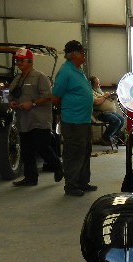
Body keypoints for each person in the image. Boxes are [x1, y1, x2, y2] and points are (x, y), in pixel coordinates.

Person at [8, 47, 63, 187]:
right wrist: (12, 102)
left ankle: (57, 165)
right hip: (24, 120)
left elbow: (48, 96)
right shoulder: (17, 79)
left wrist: (32, 103)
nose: (19, 63)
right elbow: (11, 94)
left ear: (30, 61)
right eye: (17, 60)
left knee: (42, 146)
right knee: (26, 150)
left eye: (21, 60)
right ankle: (31, 178)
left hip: (39, 119)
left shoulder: (40, 77)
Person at [52, 40, 95, 197]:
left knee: (84, 151)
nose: (83, 54)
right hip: (73, 120)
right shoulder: (65, 71)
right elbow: (56, 96)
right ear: (72, 55)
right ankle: (71, 185)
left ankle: (83, 182)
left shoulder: (79, 71)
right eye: (80, 52)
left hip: (83, 120)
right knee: (73, 153)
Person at [90, 76, 125, 146]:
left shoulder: (99, 91)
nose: (99, 85)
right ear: (92, 84)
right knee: (116, 121)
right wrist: (105, 96)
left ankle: (111, 136)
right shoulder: (91, 92)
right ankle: (105, 137)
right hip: (100, 113)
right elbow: (96, 102)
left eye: (99, 83)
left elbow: (105, 99)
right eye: (97, 83)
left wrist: (112, 96)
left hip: (110, 112)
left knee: (122, 120)